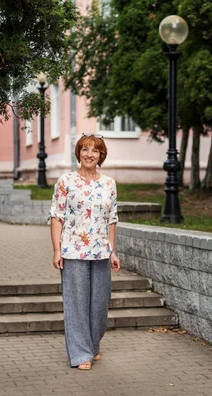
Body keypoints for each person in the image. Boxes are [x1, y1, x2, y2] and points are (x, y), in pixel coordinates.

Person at [49, 133, 120, 371]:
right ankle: (81, 354)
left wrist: (112, 251)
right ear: (78, 153)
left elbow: (111, 220)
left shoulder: (109, 184)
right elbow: (56, 216)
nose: (90, 154)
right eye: (85, 149)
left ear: (101, 156)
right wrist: (57, 250)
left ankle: (93, 344)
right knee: (77, 305)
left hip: (100, 251)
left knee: (100, 305)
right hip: (73, 251)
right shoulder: (66, 181)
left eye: (95, 151)